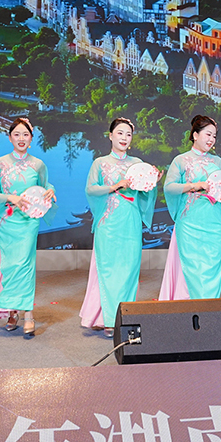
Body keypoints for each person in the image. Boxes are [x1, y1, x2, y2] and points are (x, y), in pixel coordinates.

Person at [79, 118, 157, 337]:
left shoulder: (137, 163)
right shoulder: (100, 163)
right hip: (108, 224)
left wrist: (152, 182)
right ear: (110, 135)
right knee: (108, 270)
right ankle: (108, 319)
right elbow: (91, 190)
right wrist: (115, 186)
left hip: (130, 223)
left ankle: (126, 317)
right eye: (120, 133)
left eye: (128, 134)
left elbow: (145, 195)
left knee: (130, 270)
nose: (124, 138)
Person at [0, 118, 56, 336]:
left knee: (25, 264)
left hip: (29, 221)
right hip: (7, 221)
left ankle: (28, 313)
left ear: (31, 138)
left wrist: (50, 190)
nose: (21, 138)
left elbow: (44, 185)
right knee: (10, 266)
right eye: (17, 134)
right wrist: (10, 197)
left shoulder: (38, 164)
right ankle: (12, 311)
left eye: (25, 135)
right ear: (9, 137)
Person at [159, 115, 221, 301]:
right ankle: (190, 308)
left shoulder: (218, 162)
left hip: (214, 222)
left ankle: (209, 309)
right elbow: (169, 187)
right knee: (191, 268)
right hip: (190, 223)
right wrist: (195, 186)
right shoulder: (181, 160)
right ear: (195, 135)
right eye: (208, 134)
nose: (211, 139)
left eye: (214, 136)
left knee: (212, 267)